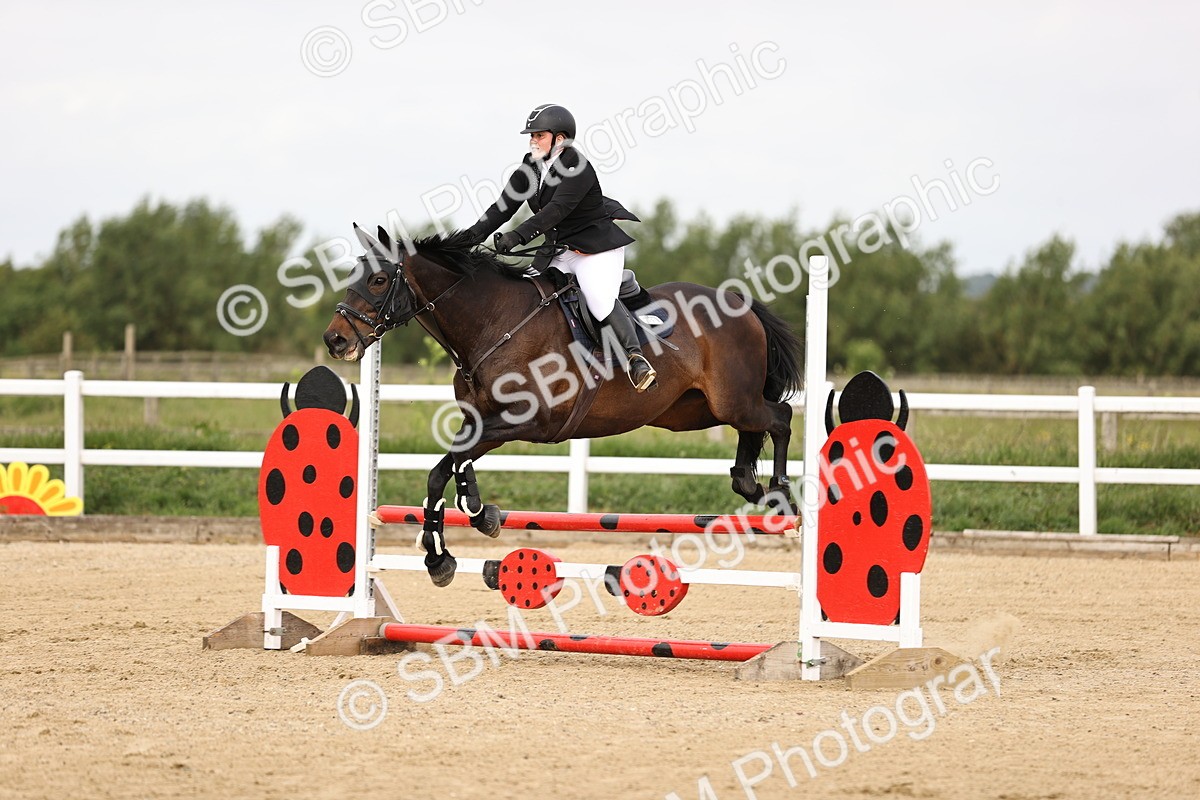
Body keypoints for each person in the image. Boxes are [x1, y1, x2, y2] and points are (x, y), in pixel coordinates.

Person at [463, 103, 657, 392]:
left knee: (598, 299)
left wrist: (516, 237)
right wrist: (468, 238)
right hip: (558, 250)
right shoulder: (531, 167)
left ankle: (636, 359)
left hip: (595, 250)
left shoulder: (578, 167)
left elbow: (556, 211)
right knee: (529, 295)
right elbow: (502, 207)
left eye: (539, 135)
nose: (533, 141)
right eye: (532, 136)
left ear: (560, 139)